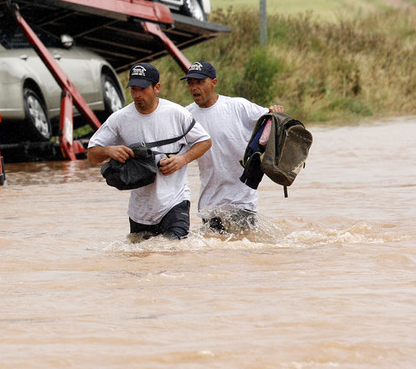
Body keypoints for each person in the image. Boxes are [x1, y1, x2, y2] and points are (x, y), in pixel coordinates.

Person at [87, 62, 212, 240]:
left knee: (174, 253)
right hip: (140, 210)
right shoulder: (120, 119)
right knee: (141, 262)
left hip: (175, 203)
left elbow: (205, 141)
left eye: (143, 89)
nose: (137, 95)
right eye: (133, 89)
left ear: (157, 88)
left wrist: (182, 160)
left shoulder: (177, 113)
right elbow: (91, 154)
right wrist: (108, 150)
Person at [182, 61, 284, 232]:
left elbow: (270, 119)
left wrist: (275, 112)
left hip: (241, 201)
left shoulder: (238, 106)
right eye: (190, 83)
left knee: (241, 253)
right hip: (209, 204)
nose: (194, 88)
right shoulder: (186, 116)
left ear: (213, 82)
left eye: (199, 82)